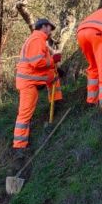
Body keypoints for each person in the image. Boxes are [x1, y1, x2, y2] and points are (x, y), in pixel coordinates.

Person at [12, 18, 61, 162]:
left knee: (54, 77)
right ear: (44, 27)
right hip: (29, 82)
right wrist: (54, 61)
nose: (51, 31)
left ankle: (56, 102)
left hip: (33, 78)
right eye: (50, 28)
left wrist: (55, 66)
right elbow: (37, 62)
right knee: (24, 115)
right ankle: (19, 146)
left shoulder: (39, 40)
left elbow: (43, 62)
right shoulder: (37, 40)